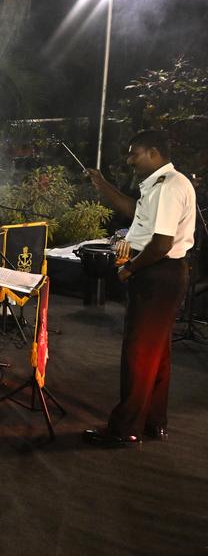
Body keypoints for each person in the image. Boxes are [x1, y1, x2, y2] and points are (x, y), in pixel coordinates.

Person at [84, 130, 196, 446]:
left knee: (139, 353)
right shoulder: (165, 185)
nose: (130, 159)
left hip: (157, 273)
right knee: (156, 353)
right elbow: (137, 213)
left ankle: (125, 429)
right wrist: (102, 184)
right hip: (165, 274)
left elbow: (161, 244)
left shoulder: (168, 188)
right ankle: (153, 421)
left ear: (154, 152)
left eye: (135, 153)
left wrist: (130, 268)